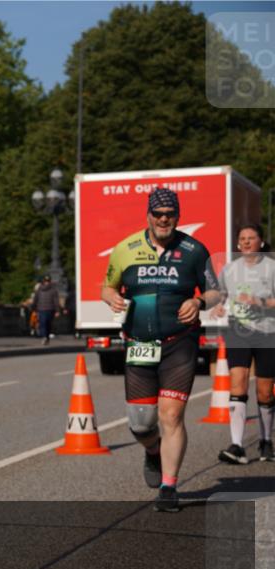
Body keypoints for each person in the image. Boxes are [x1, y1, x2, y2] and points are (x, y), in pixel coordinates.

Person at [102, 187, 221, 512]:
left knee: (172, 415)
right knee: (140, 423)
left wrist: (197, 302)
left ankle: (169, 487)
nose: (164, 219)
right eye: (158, 214)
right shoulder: (125, 248)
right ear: (148, 216)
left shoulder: (194, 249)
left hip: (179, 342)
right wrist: (109, 296)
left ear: (178, 216)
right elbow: (107, 285)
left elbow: (216, 292)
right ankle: (152, 450)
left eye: (170, 214)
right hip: (139, 344)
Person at [215, 223, 275, 464]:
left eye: (252, 238)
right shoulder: (229, 270)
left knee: (264, 390)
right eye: (243, 239)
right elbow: (222, 295)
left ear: (261, 242)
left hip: (267, 333)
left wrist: (257, 301)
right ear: (238, 244)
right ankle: (237, 445)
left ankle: (266, 441)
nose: (247, 242)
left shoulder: (272, 268)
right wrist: (219, 305)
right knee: (237, 383)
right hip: (238, 332)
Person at [33, 275, 60, 345]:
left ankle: (46, 336)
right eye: (45, 281)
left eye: (48, 281)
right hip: (42, 309)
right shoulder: (39, 290)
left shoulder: (53, 290)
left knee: (48, 324)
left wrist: (57, 310)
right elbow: (35, 299)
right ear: (43, 281)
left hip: (50, 309)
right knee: (43, 323)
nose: (46, 283)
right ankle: (44, 336)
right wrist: (34, 308)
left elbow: (56, 301)